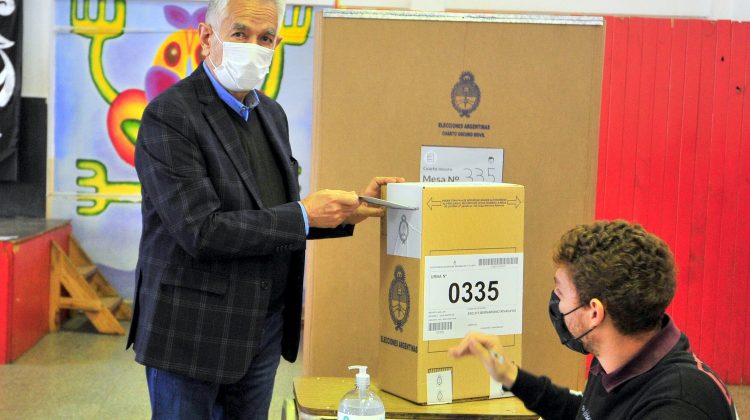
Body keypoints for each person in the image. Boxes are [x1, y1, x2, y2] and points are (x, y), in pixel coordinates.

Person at [125, 0, 404, 418]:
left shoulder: (271, 114)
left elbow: (271, 214)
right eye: (240, 34)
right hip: (191, 334)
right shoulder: (170, 117)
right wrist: (305, 214)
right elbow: (200, 231)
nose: (253, 46)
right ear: (207, 37)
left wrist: (347, 212)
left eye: (265, 38)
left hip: (262, 330)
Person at [450, 220, 737, 419]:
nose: (557, 304)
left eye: (561, 293)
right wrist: (511, 377)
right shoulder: (620, 357)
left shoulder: (681, 404)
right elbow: (586, 413)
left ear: (594, 313)